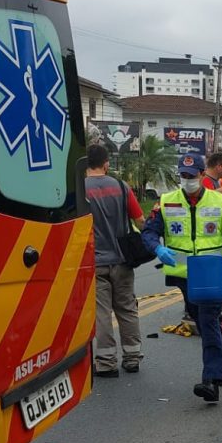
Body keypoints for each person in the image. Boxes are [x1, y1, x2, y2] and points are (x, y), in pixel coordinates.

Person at [141, 154, 222, 402]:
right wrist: (157, 248)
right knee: (203, 320)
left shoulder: (218, 201)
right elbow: (148, 232)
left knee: (207, 321)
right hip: (184, 276)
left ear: (201, 174)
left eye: (192, 175)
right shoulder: (166, 202)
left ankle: (211, 379)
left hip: (212, 273)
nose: (187, 180)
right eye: (183, 176)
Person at [84, 144, 145, 377]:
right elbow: (139, 221)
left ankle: (106, 362)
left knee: (101, 313)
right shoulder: (121, 186)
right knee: (127, 308)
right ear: (106, 163)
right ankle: (132, 357)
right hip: (122, 260)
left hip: (95, 262)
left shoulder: (80, 190)